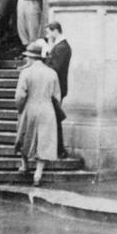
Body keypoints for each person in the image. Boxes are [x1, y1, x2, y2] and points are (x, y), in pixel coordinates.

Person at [14, 41, 60, 187]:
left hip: (30, 106)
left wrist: (20, 108)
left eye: (28, 57)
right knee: (44, 140)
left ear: (32, 58)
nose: (26, 59)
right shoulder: (52, 73)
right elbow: (57, 96)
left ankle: (24, 164)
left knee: (25, 135)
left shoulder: (26, 72)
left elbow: (20, 95)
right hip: (47, 109)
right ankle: (38, 173)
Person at [45, 21, 72, 158]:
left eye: (49, 32)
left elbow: (55, 68)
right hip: (57, 87)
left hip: (58, 88)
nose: (48, 35)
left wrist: (47, 54)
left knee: (55, 118)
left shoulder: (62, 47)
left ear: (55, 31)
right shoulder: (59, 46)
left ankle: (60, 149)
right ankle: (58, 149)